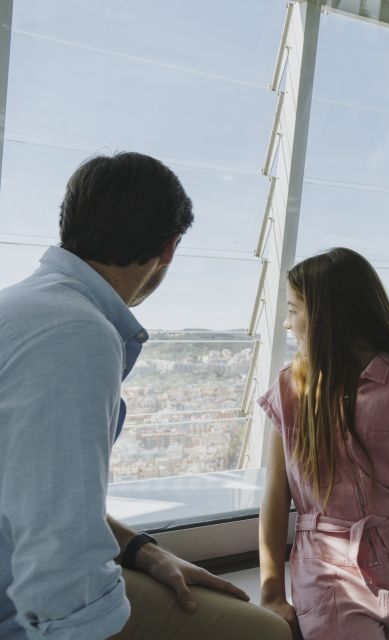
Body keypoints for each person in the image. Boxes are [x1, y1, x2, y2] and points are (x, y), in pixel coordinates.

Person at [0, 152, 291, 639]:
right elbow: (59, 559)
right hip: (22, 606)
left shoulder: (23, 305)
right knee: (265, 634)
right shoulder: (76, 334)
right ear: (170, 249)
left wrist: (141, 550)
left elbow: (34, 493)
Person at [257, 247, 389, 640]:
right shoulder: (290, 389)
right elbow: (275, 494)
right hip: (326, 570)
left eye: (294, 310)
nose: (287, 323)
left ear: (327, 316)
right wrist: (271, 591)